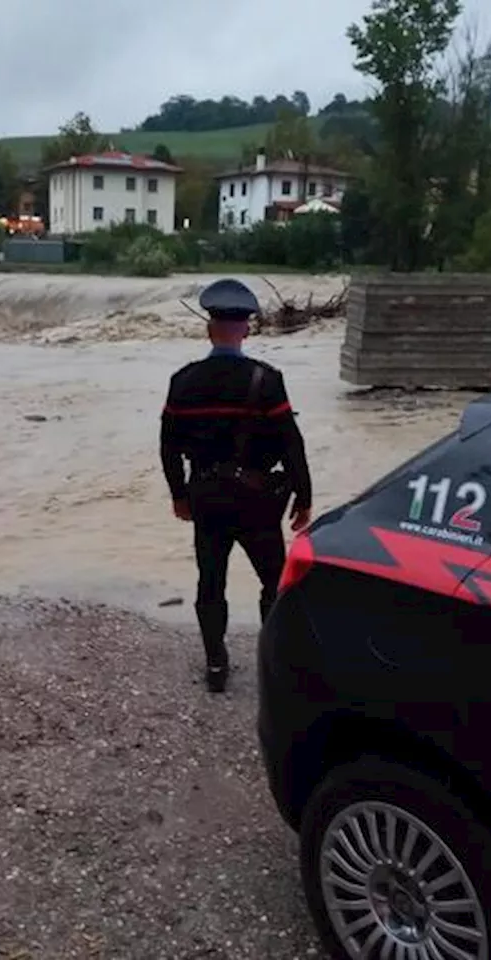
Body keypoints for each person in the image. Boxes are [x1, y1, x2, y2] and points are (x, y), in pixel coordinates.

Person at [159, 278, 313, 693]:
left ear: (210, 329)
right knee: (273, 581)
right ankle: (274, 664)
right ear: (245, 329)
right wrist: (304, 497)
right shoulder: (268, 380)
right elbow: (291, 443)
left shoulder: (183, 381)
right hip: (258, 502)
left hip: (207, 499)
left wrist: (178, 495)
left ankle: (215, 666)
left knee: (210, 581)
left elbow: (169, 446)